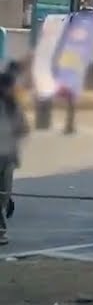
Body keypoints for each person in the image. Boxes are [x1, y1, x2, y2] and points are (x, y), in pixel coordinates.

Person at [0, 73, 29, 246]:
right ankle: (1, 231)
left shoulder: (13, 106)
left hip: (8, 157)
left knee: (4, 194)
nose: (11, 90)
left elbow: (23, 128)